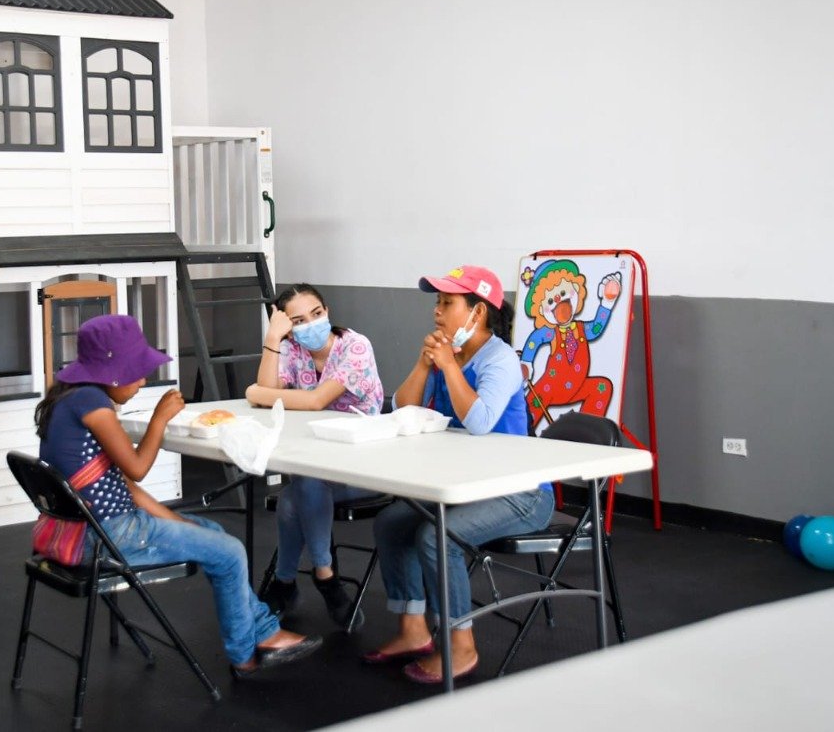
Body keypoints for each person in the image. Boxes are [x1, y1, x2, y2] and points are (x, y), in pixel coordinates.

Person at [35, 314, 321, 677]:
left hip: (84, 530)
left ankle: (263, 633)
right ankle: (245, 653)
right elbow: (137, 469)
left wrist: (177, 521)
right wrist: (160, 418)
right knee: (230, 552)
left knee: (214, 534)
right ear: (113, 373)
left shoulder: (68, 400)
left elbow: (124, 485)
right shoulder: (93, 404)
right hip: (108, 535)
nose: (142, 381)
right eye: (137, 373)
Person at [363, 265, 554, 684]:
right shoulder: (447, 354)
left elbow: (480, 421)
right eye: (437, 302)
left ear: (477, 312)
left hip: (521, 492)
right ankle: (414, 629)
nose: (437, 311)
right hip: (465, 485)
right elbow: (402, 410)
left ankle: (460, 643)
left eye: (447, 303)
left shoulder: (500, 360)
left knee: (437, 536)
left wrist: (449, 366)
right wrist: (423, 365)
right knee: (392, 523)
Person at [245, 283, 384, 627]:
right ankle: (320, 578)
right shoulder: (291, 349)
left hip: (364, 465)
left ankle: (294, 581)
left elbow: (315, 400)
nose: (311, 324)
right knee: (297, 491)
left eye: (317, 314)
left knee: (299, 490)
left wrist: (257, 393)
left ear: (327, 311)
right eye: (298, 321)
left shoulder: (355, 346)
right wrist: (272, 339)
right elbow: (268, 392)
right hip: (316, 459)